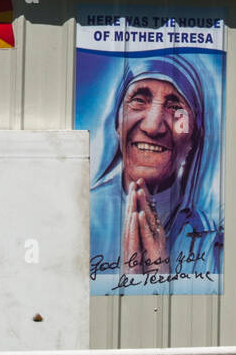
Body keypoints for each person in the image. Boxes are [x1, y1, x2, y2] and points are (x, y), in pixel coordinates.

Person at [90, 57, 223, 278]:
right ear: (116, 123)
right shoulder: (83, 216)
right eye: (139, 100)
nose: (152, 127)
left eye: (174, 107)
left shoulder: (211, 236)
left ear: (194, 139)